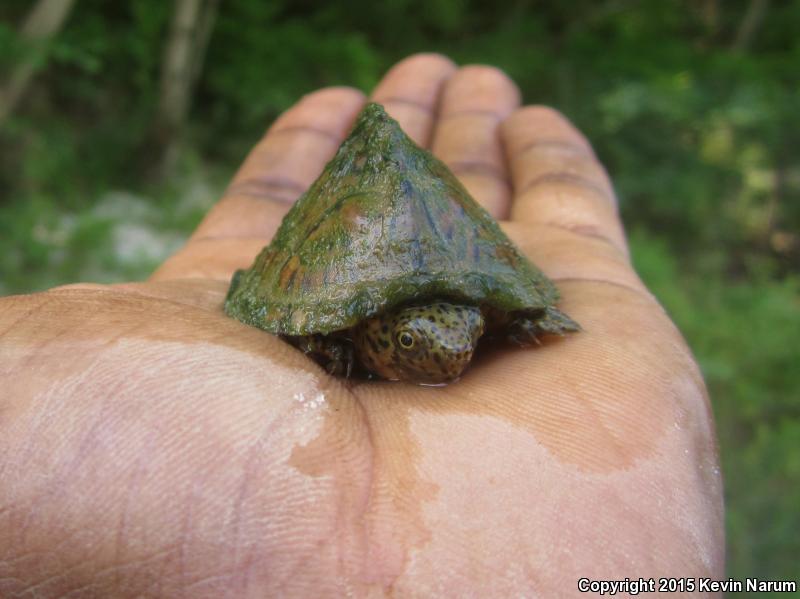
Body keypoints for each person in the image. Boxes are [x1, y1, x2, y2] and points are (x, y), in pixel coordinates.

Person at [0, 54, 723, 597]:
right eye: (410, 343)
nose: (438, 356)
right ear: (375, 333)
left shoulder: (469, 314)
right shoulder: (342, 322)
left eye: (461, 336)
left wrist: (518, 309)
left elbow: (487, 300)